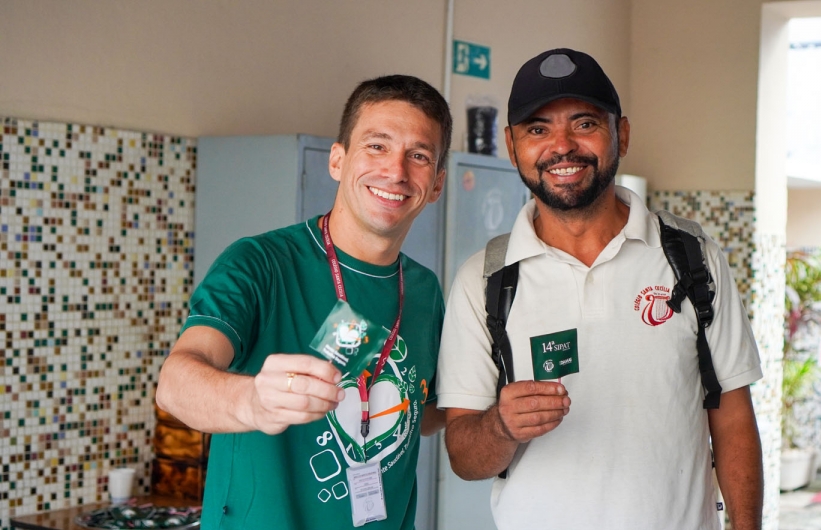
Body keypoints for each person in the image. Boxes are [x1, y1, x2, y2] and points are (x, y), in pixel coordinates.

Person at [438, 48, 764, 530]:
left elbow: (733, 419)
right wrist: (501, 426)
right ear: (512, 145)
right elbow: (464, 458)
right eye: (537, 129)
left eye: (585, 123)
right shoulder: (485, 279)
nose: (562, 146)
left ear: (622, 134)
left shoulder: (693, 258)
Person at [156, 74, 452, 529]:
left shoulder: (424, 291)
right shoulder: (259, 264)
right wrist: (253, 401)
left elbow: (426, 411)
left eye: (419, 156)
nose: (396, 171)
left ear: (436, 185)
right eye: (376, 146)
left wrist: (495, 399)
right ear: (337, 160)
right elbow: (175, 385)